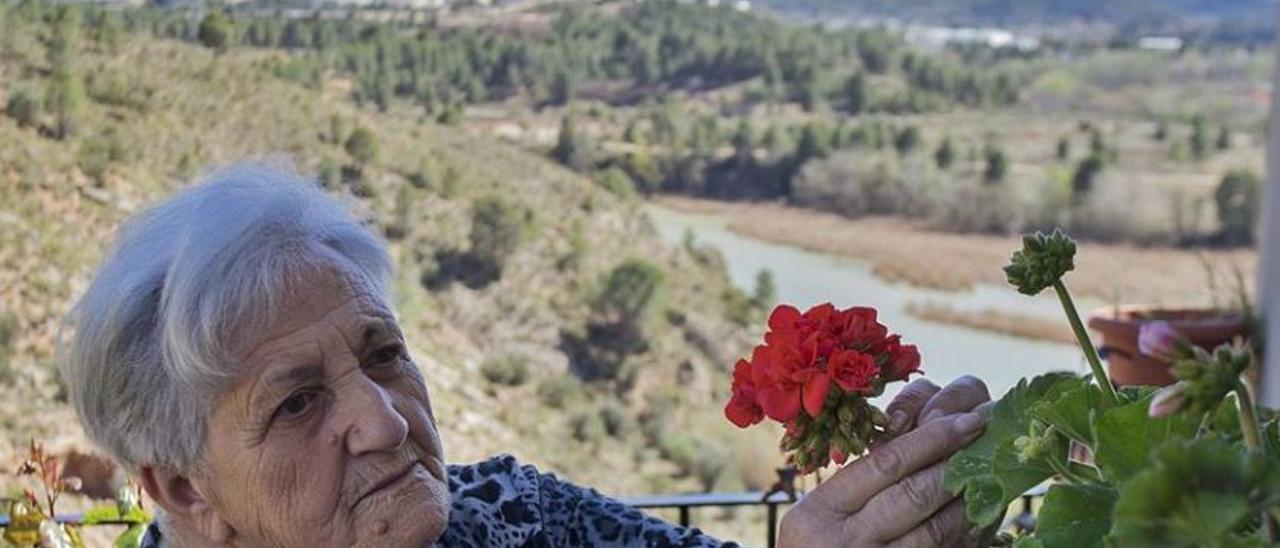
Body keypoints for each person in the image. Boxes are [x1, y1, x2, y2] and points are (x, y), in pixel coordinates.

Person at [61, 164, 991, 547]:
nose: (384, 421)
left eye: (383, 356)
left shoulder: (523, 517)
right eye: (298, 403)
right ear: (184, 490)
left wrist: (874, 511)